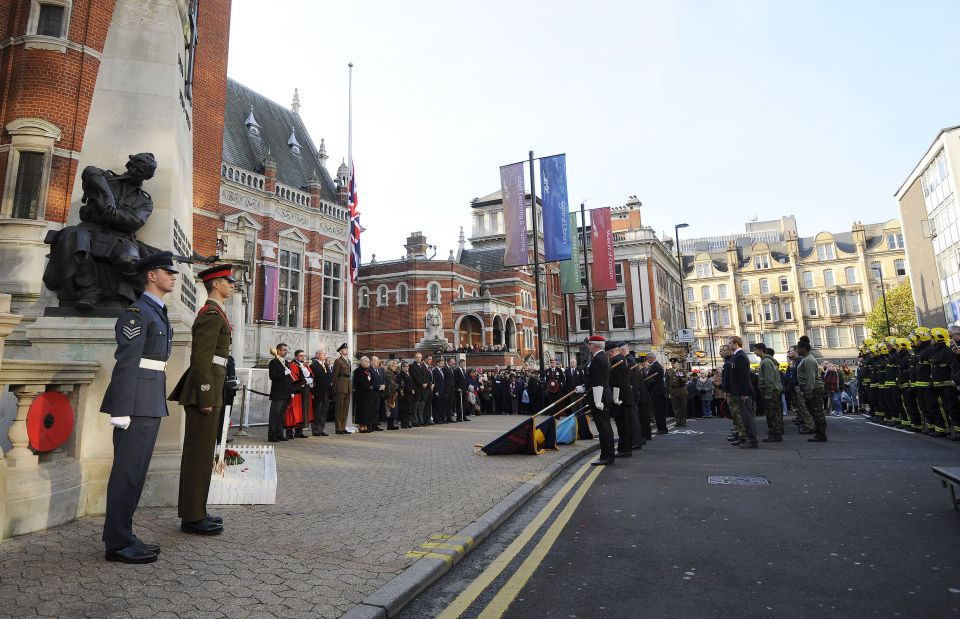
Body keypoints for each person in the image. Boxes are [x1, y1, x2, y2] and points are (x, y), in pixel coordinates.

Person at [100, 251, 177, 563]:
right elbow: (127, 362)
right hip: (134, 404)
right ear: (151, 275)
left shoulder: (156, 311)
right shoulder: (137, 312)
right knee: (126, 474)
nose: (173, 276)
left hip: (149, 400)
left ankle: (124, 533)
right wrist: (120, 408)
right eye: (167, 271)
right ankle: (117, 543)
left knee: (136, 473)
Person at [169, 264, 236, 536]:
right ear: (216, 284)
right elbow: (200, 359)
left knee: (203, 452)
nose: (232, 285)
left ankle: (197, 511)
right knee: (198, 454)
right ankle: (192, 517)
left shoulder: (217, 312)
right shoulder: (210, 314)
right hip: (205, 390)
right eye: (228, 281)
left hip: (214, 384)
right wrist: (207, 393)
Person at [577, 335, 614, 465]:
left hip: (600, 396)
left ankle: (607, 456)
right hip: (600, 394)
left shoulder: (598, 358)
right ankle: (607, 455)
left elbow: (598, 381)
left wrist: (597, 400)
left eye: (590, 344)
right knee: (604, 427)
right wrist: (584, 386)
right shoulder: (600, 357)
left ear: (595, 345)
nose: (589, 346)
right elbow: (594, 378)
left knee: (603, 428)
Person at [727, 336, 758, 448]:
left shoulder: (740, 356)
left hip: (744, 393)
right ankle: (750, 439)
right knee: (745, 417)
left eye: (730, 343)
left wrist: (744, 393)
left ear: (736, 344)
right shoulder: (736, 356)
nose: (728, 345)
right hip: (739, 392)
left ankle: (752, 440)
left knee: (747, 417)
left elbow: (744, 376)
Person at [796, 337, 827, 441]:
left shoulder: (808, 360)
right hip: (813, 388)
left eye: (798, 349)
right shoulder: (806, 358)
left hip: (814, 389)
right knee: (815, 412)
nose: (797, 351)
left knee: (817, 412)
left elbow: (810, 378)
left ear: (804, 348)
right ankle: (819, 433)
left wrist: (808, 393)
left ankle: (821, 434)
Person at [607, 342, 633, 458]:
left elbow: (614, 381)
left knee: (622, 424)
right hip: (625, 396)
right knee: (625, 424)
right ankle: (625, 448)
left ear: (612, 352)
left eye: (608, 355)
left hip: (620, 396)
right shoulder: (622, 358)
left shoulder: (616, 361)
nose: (608, 357)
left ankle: (624, 449)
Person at [754, 343, 783, 442]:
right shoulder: (767, 361)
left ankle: (775, 434)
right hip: (771, 391)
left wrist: (768, 393)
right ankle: (775, 433)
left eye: (755, 350)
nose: (754, 352)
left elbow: (769, 380)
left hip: (769, 391)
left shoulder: (766, 362)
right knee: (773, 413)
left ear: (761, 350)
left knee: (771, 414)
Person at [267, 343, 292, 442]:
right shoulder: (274, 362)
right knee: (275, 415)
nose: (286, 351)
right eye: (284, 350)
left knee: (282, 416)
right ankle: (272, 436)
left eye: (286, 350)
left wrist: (291, 391)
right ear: (278, 350)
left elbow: (289, 379)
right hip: (278, 393)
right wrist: (284, 373)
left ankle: (280, 433)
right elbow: (272, 376)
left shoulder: (286, 362)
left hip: (286, 393)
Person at [645, 352, 669, 434]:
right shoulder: (657, 365)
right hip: (659, 392)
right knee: (660, 412)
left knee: (658, 412)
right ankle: (662, 428)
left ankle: (661, 429)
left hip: (657, 392)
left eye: (648, 359)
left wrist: (647, 386)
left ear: (651, 358)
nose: (647, 361)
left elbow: (651, 380)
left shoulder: (655, 366)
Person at [332, 343, 352, 434]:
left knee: (345, 408)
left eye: (347, 349)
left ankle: (343, 427)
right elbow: (334, 376)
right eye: (345, 349)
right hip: (340, 385)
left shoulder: (348, 361)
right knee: (339, 408)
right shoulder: (338, 361)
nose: (346, 350)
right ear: (341, 351)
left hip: (347, 385)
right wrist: (334, 388)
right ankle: (338, 428)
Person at [353, 356, 377, 432]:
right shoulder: (358, 371)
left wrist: (372, 386)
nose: (367, 363)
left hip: (369, 393)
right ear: (361, 362)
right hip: (361, 394)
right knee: (362, 410)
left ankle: (366, 425)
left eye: (368, 362)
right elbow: (360, 382)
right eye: (366, 361)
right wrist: (369, 387)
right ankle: (361, 426)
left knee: (368, 410)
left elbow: (372, 380)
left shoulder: (369, 370)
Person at [310, 351, 331, 437]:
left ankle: (321, 428)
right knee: (317, 410)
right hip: (317, 391)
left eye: (325, 353)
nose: (324, 355)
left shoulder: (326, 365)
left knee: (324, 410)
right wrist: (313, 390)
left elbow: (329, 376)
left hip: (325, 391)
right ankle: (315, 429)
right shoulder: (313, 365)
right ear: (317, 355)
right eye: (322, 353)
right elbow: (313, 379)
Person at [666, 358, 688, 427]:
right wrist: (668, 391)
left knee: (683, 406)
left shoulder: (681, 370)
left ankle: (683, 421)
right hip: (673, 390)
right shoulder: (668, 371)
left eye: (674, 363)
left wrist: (681, 378)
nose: (673, 364)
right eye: (672, 363)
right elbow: (667, 382)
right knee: (675, 407)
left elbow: (686, 379)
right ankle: (677, 421)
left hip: (681, 390)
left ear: (677, 363)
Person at [410, 352, 430, 426]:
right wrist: (422, 384)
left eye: (420, 357)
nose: (419, 359)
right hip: (417, 388)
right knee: (415, 407)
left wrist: (426, 383)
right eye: (417, 357)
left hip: (423, 390)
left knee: (421, 407)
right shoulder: (412, 366)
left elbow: (427, 376)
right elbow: (415, 377)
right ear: (415, 358)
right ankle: (415, 421)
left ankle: (421, 420)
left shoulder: (423, 366)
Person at [385, 359, 400, 430]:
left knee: (393, 410)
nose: (396, 367)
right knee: (390, 409)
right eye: (394, 366)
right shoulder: (388, 372)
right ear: (390, 366)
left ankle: (392, 424)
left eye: (396, 366)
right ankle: (389, 425)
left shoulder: (394, 372)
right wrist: (398, 386)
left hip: (394, 393)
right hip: (389, 393)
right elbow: (390, 383)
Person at [398, 361, 414, 428]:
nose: (407, 368)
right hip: (404, 394)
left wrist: (412, 389)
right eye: (406, 366)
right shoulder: (401, 374)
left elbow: (411, 382)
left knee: (408, 409)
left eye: (408, 366)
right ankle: (404, 424)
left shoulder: (408, 373)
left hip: (410, 394)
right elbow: (403, 384)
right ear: (402, 367)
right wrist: (410, 390)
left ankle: (407, 423)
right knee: (404, 409)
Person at [443, 357, 457, 422]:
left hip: (451, 389)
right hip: (446, 389)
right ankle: (444, 417)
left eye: (453, 362)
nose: (453, 363)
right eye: (452, 362)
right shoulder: (444, 368)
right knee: (445, 404)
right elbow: (444, 380)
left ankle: (449, 417)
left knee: (450, 404)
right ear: (448, 362)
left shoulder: (452, 369)